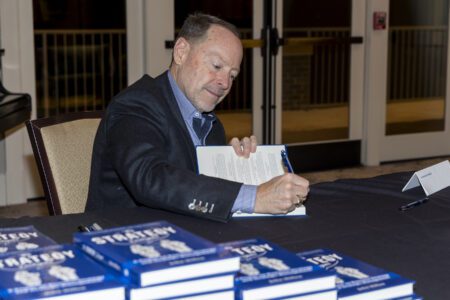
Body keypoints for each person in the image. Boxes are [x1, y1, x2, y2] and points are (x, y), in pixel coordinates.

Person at [85, 13, 309, 222]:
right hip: (125, 239)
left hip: (188, 234)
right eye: (216, 65)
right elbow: (150, 178)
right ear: (181, 51)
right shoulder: (137, 104)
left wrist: (240, 167)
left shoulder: (211, 125)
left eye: (232, 75)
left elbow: (198, 193)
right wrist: (253, 197)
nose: (225, 83)